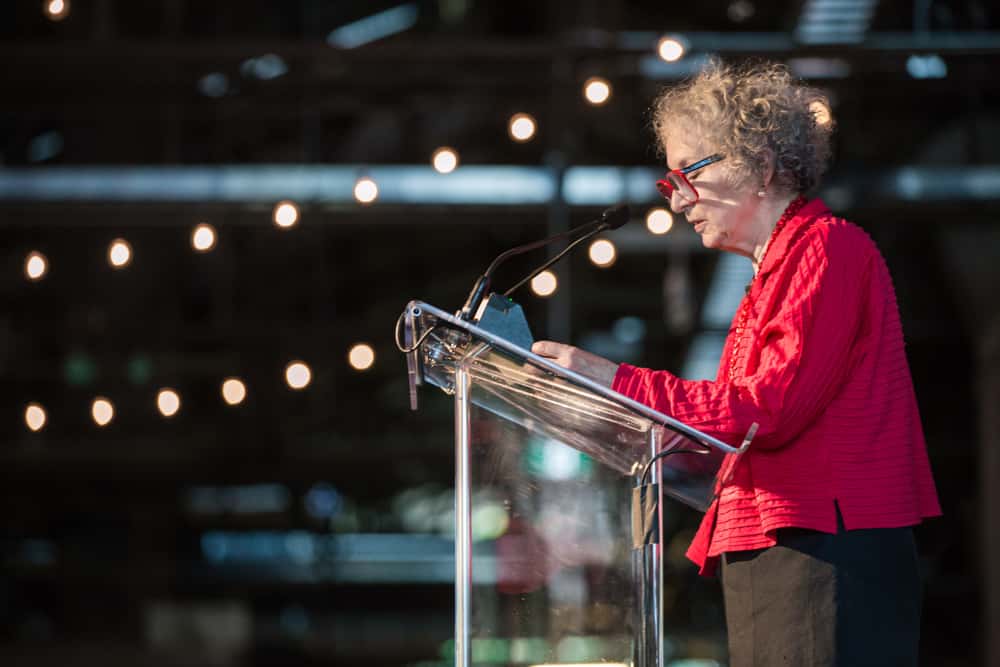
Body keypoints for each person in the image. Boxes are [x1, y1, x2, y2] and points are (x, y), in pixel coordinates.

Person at [531, 59, 941, 666]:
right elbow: (732, 428)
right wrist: (608, 412)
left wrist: (617, 382)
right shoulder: (769, 277)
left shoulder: (829, 249)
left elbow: (767, 410)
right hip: (780, 544)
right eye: (670, 184)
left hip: (822, 547)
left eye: (687, 174)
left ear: (762, 166)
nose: (678, 201)